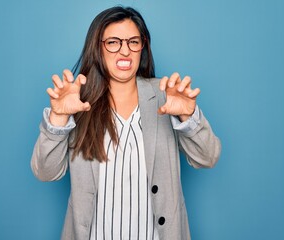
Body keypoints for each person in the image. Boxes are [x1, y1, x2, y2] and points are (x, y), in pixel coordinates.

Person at [31, 6, 221, 240]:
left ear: (143, 46)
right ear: (97, 47)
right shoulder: (76, 101)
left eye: (133, 41)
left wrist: (189, 117)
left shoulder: (166, 95)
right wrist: (58, 118)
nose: (125, 51)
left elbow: (208, 157)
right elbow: (46, 173)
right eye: (113, 42)